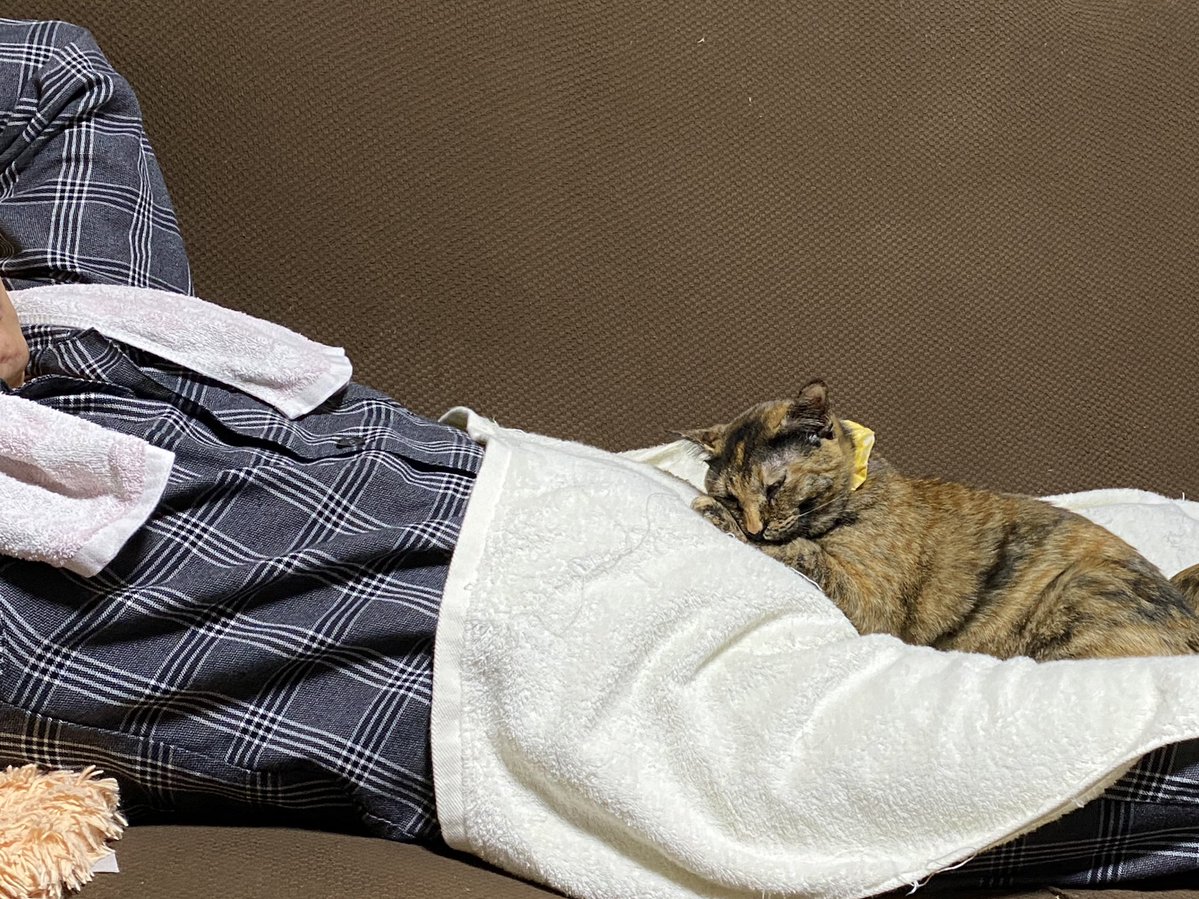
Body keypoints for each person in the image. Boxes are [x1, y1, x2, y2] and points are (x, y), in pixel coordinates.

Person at [0, 17, 1196, 890]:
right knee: (1028, 755)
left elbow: (50, 76)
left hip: (594, 501)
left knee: (1139, 541)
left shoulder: (70, 317)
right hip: (552, 684)